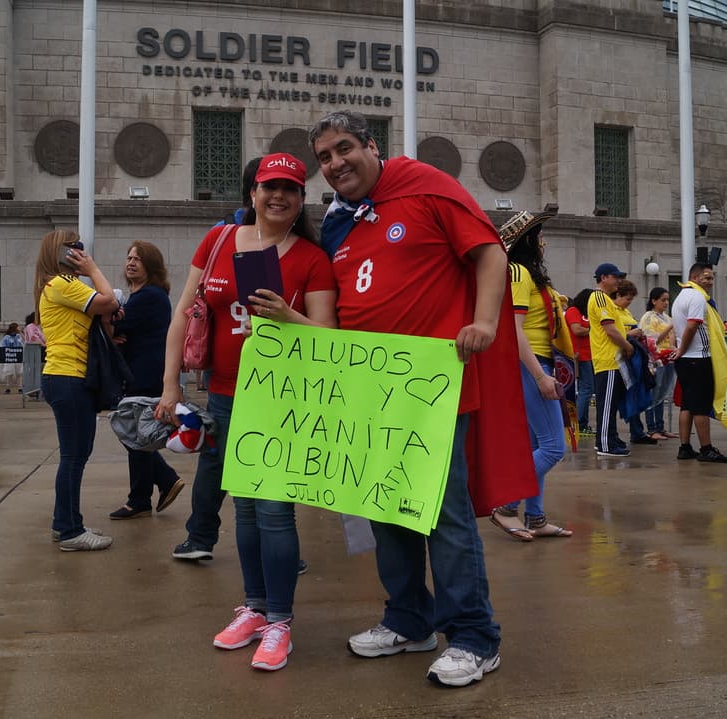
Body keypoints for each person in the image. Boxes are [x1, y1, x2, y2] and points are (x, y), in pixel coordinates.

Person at [311, 110, 518, 688]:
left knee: (444, 515)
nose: (335, 163)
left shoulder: (427, 186)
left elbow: (490, 252)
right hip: (368, 392)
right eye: (324, 157)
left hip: (432, 387)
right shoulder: (338, 224)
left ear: (372, 145)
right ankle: (409, 619)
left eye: (344, 148)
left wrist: (483, 321)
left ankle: (475, 637)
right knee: (384, 510)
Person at [157, 152, 337, 672]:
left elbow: (330, 335)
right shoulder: (215, 243)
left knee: (276, 510)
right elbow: (183, 314)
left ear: (301, 199)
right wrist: (169, 386)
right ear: (252, 193)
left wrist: (289, 316)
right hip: (224, 395)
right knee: (245, 508)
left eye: (290, 189)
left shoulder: (310, 258)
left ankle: (280, 620)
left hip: (283, 398)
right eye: (268, 187)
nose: (277, 196)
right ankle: (255, 607)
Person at [33, 229, 122, 552]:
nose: (79, 251)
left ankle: (65, 523)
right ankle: (70, 531)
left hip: (67, 378)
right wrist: (93, 269)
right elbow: (109, 300)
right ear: (59, 253)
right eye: (73, 248)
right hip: (68, 378)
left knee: (76, 455)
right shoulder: (61, 284)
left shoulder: (60, 287)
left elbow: (105, 311)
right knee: (73, 457)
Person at [489, 210, 570, 541]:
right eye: (538, 236)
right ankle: (505, 506)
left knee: (538, 444)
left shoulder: (528, 275)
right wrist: (539, 376)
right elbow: (513, 330)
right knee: (553, 448)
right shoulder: (519, 273)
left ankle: (535, 517)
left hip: (538, 362)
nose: (543, 242)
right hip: (530, 364)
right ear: (527, 241)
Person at [109, 241, 185, 520]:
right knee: (135, 433)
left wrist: (113, 330)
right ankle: (152, 489)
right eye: (128, 257)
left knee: (136, 434)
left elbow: (115, 323)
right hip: (140, 372)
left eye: (138, 259)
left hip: (145, 374)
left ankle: (146, 494)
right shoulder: (141, 296)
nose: (130, 262)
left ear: (150, 266)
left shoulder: (150, 295)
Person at [671, 263, 727, 463]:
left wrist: (680, 350)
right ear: (695, 277)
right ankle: (706, 449)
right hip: (697, 358)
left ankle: (685, 447)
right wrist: (681, 349)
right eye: (706, 277)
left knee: (687, 404)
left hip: (686, 360)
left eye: (712, 278)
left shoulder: (681, 296)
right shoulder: (697, 297)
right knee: (700, 406)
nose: (710, 282)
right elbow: (691, 327)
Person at [588, 263, 633, 457]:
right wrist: (627, 346)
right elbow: (610, 329)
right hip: (608, 359)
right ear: (603, 277)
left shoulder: (605, 299)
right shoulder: (599, 298)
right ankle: (605, 444)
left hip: (612, 359)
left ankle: (609, 437)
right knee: (606, 405)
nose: (619, 281)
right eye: (615, 277)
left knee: (610, 404)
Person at [612, 280, 654, 446]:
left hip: (631, 359)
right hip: (617, 360)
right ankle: (612, 434)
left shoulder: (626, 312)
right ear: (618, 295)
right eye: (627, 298)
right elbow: (610, 333)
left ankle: (637, 432)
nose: (629, 302)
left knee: (633, 394)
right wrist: (630, 334)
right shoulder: (613, 311)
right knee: (616, 399)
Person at [639, 286, 677, 440]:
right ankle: (651, 428)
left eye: (667, 300)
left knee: (663, 393)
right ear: (654, 301)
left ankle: (660, 427)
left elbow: (673, 336)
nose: (666, 303)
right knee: (653, 393)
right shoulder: (649, 317)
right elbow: (651, 341)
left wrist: (673, 346)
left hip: (668, 358)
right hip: (655, 359)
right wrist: (669, 329)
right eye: (663, 300)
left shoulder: (667, 318)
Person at [566, 289, 595, 438]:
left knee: (587, 390)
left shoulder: (585, 314)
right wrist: (594, 328)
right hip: (580, 355)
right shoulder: (573, 310)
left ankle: (582, 423)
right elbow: (576, 330)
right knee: (586, 389)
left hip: (590, 355)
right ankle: (578, 423)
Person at [0, 322, 24, 394]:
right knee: (9, 373)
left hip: (18, 356)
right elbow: (1, 346)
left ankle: (20, 388)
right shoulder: (6, 337)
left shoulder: (19, 336)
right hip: (10, 357)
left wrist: (20, 332)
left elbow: (25, 342)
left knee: (19, 373)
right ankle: (8, 388)